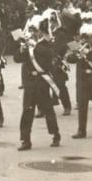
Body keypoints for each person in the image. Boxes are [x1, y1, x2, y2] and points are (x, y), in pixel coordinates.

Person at [14, 15, 61, 151]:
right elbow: (17, 59)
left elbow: (48, 57)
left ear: (41, 31)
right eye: (32, 30)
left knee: (48, 110)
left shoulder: (46, 43)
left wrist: (34, 47)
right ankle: (25, 140)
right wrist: (23, 49)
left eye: (35, 30)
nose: (33, 33)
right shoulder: (29, 44)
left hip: (41, 82)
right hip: (30, 82)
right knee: (27, 111)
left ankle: (55, 135)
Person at [67, 23, 92, 138]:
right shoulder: (79, 47)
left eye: (87, 37)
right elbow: (70, 59)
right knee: (82, 105)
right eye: (83, 37)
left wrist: (87, 54)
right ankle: (81, 130)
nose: (85, 39)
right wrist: (77, 53)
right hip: (83, 80)